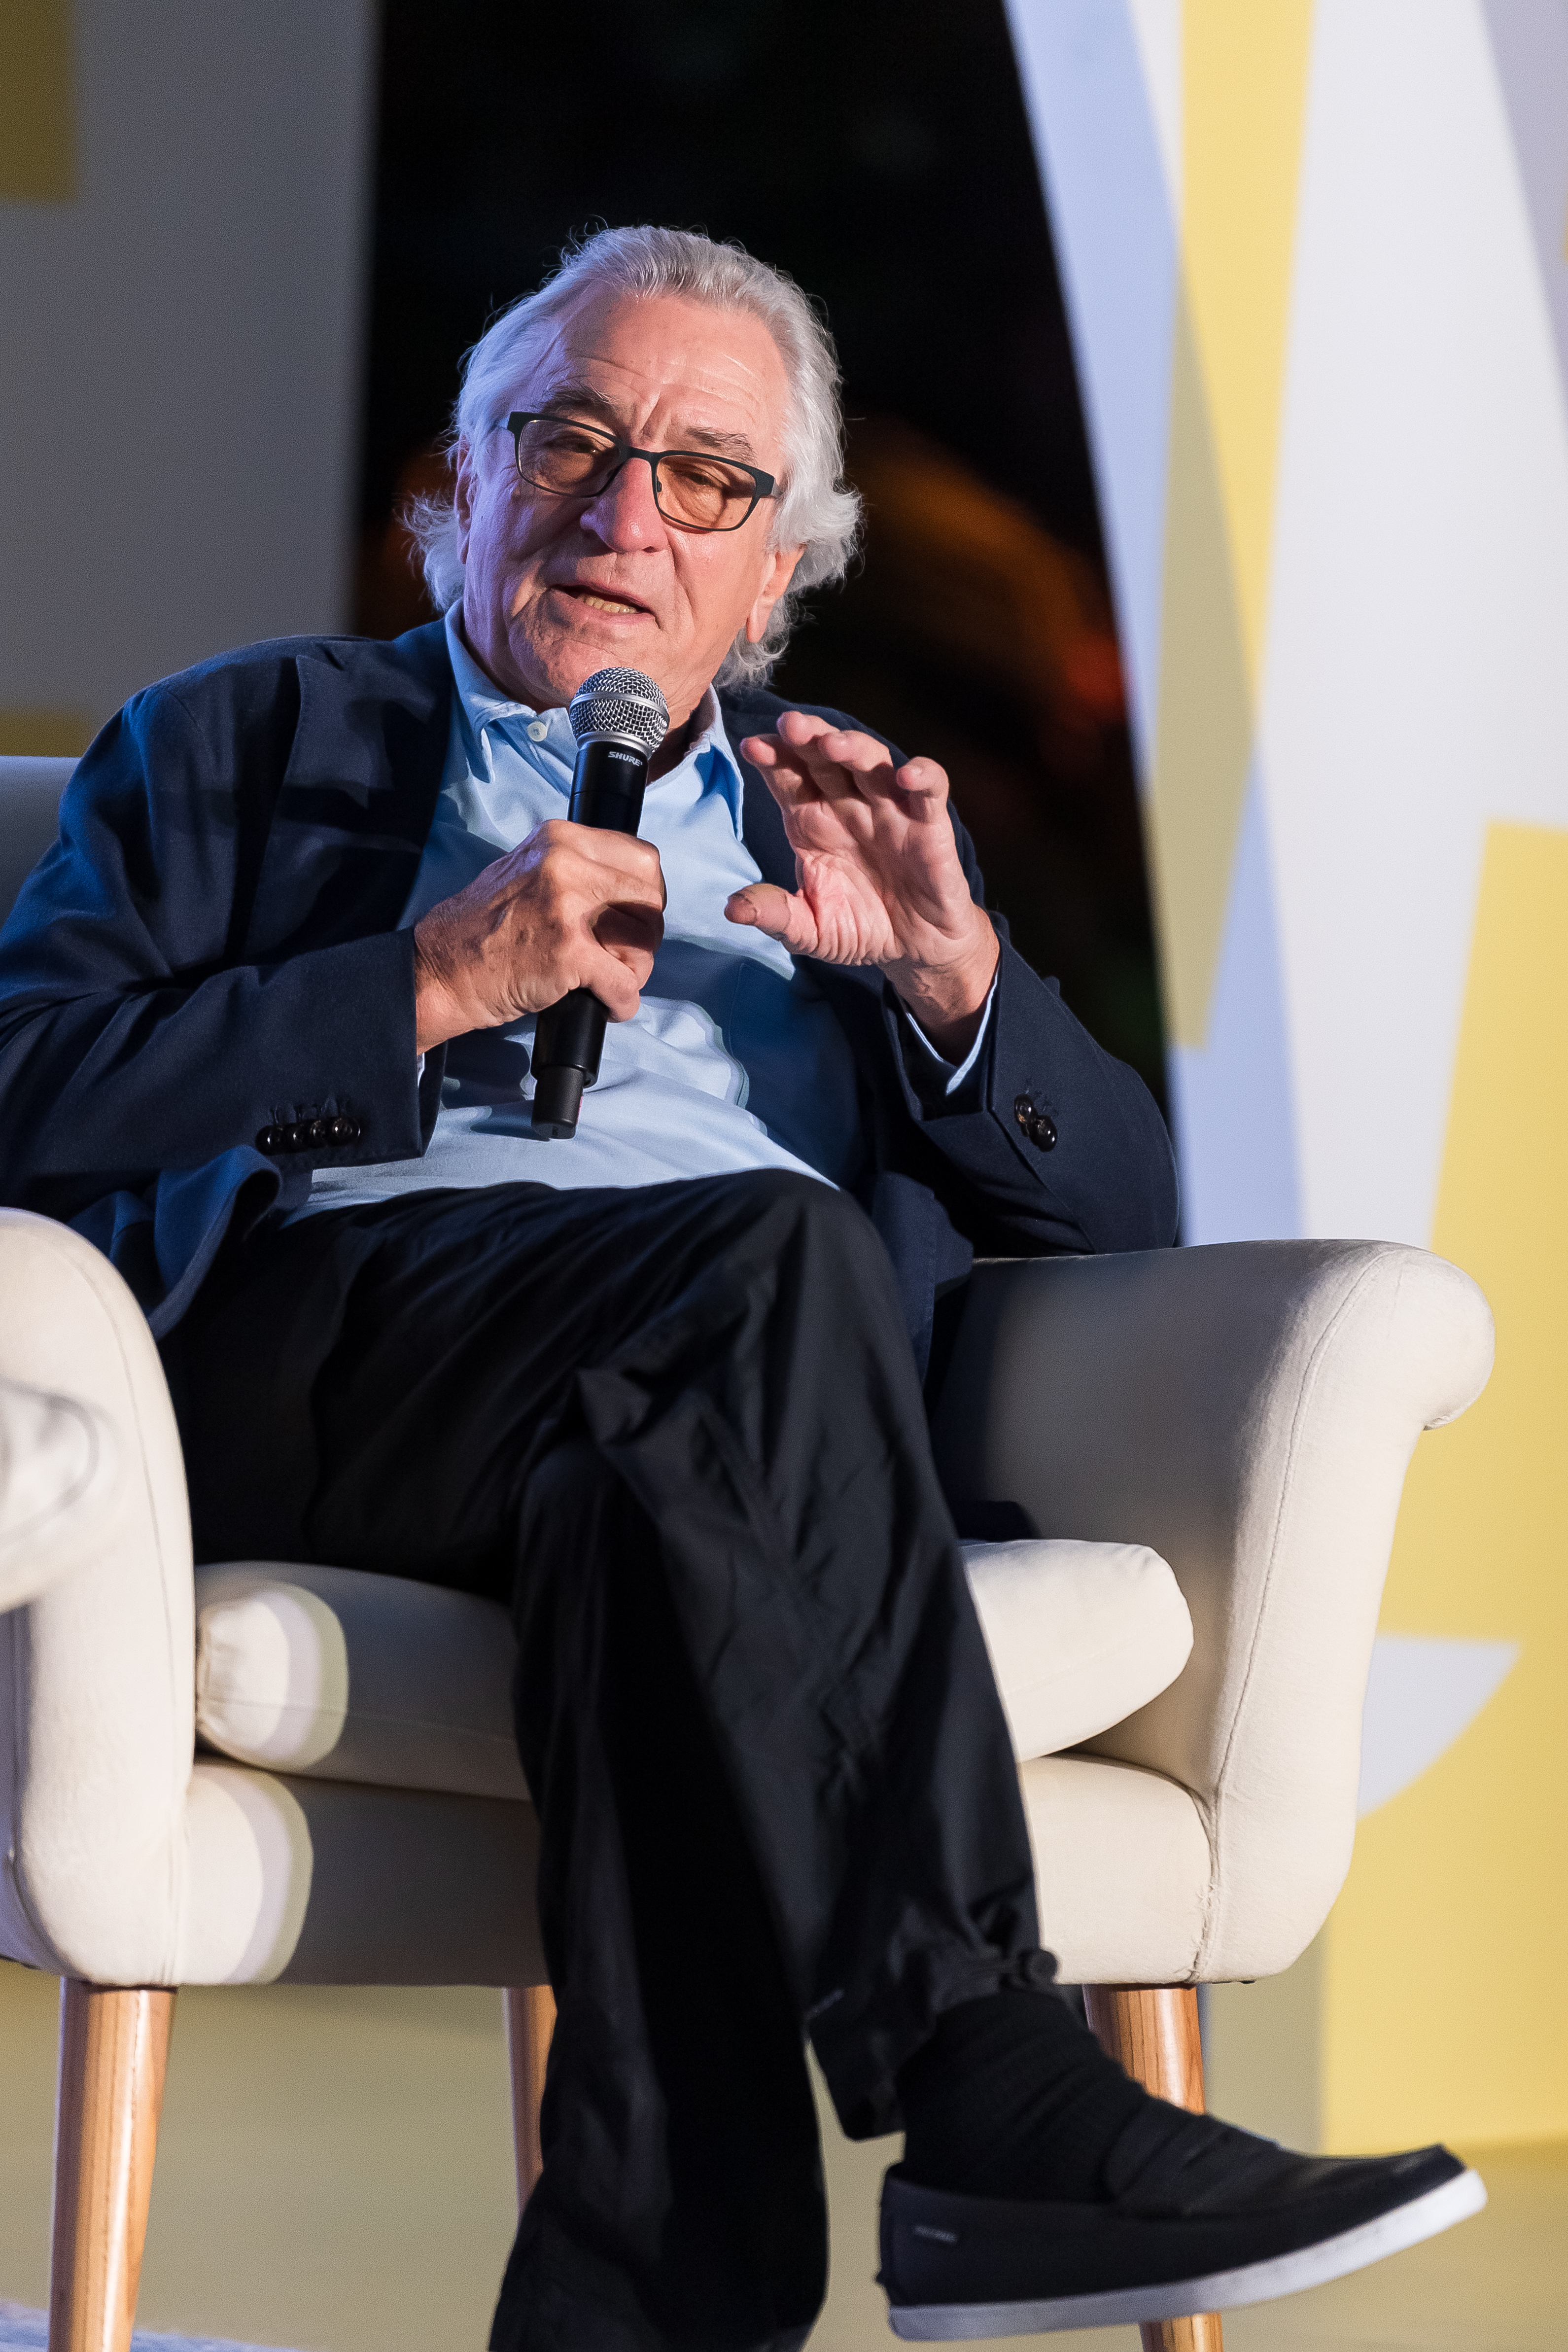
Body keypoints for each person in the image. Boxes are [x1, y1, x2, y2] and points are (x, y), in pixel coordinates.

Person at [0, 228, 1479, 2350]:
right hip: (332, 1372)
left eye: (706, 476)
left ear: (779, 569)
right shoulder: (234, 746)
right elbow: (31, 1086)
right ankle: (982, 2080)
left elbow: (1139, 1223)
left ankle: (649, 2305)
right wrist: (415, 983)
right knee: (762, 1261)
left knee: (661, 1501)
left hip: (719, 1414)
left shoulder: (843, 820)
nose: (624, 511)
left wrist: (954, 986)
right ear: (470, 482)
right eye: (573, 439)